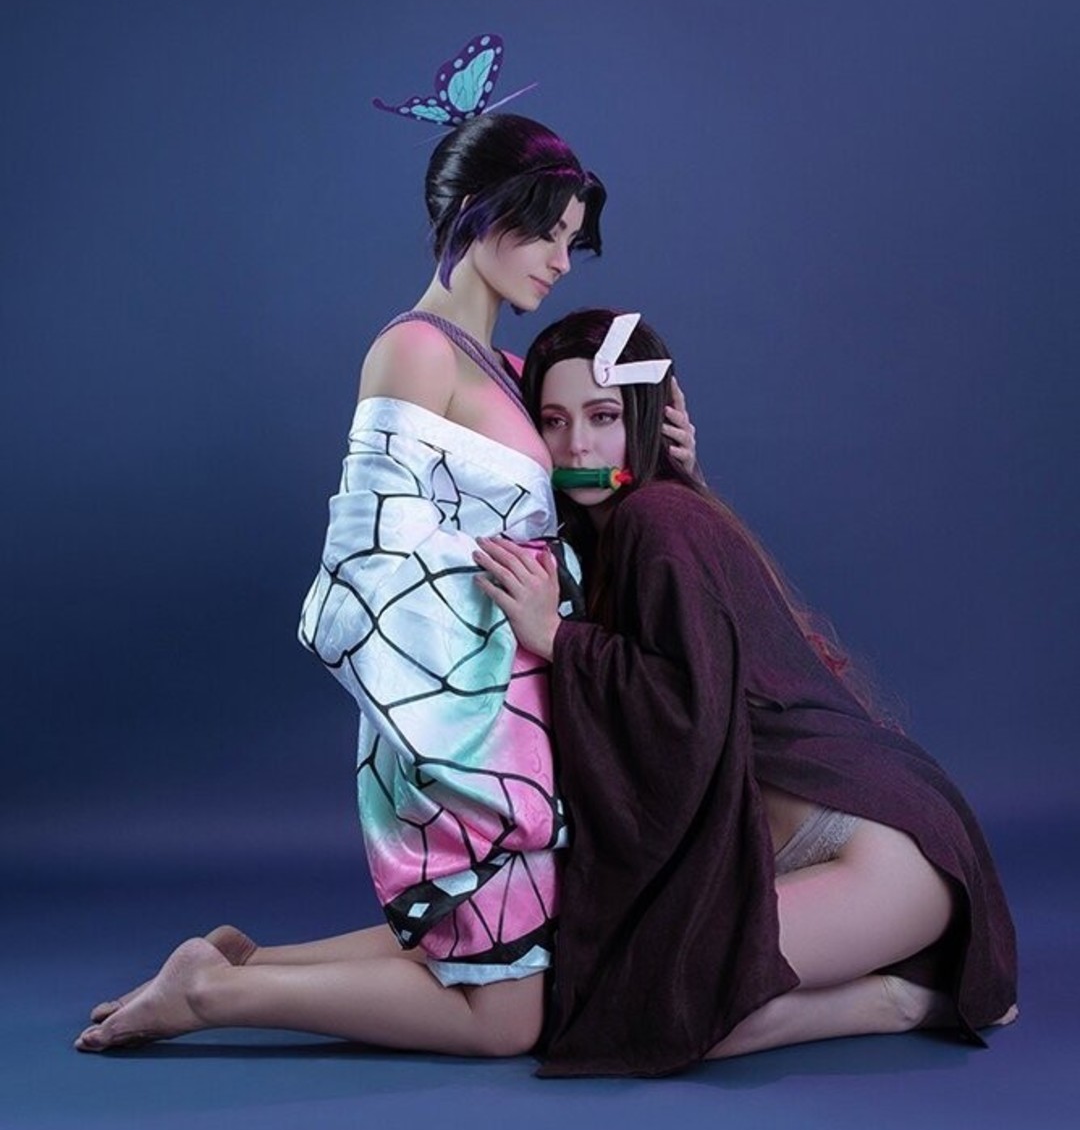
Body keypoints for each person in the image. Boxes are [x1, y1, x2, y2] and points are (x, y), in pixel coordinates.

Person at [76, 118, 696, 1057]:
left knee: (495, 937)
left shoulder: (510, 369)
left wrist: (670, 466)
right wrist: (469, 726)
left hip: (520, 700)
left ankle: (242, 964)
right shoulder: (415, 353)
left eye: (573, 241)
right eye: (547, 232)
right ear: (481, 211)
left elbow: (578, 516)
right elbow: (368, 559)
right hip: (453, 708)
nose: (562, 262)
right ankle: (212, 995)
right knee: (506, 1021)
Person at [472, 308, 1018, 1077]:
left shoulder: (656, 517)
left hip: (876, 848)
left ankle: (905, 1000)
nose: (576, 449)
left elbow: (687, 703)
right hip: (819, 848)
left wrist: (558, 639)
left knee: (655, 1013)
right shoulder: (648, 518)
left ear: (645, 417)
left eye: (603, 417)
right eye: (553, 422)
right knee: (637, 998)